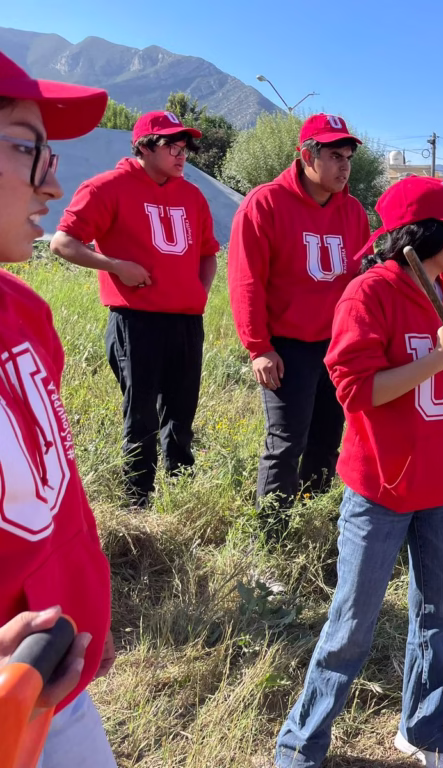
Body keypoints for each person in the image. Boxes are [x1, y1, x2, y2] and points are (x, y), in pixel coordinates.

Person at [274, 176, 443, 768]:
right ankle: (300, 745)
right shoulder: (369, 294)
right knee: (352, 622)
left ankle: (421, 729)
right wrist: (441, 357)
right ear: (425, 233)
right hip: (382, 487)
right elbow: (357, 391)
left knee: (437, 614)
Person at [0, 49, 116, 765]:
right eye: (27, 148)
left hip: (52, 679)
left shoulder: (26, 314)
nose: (52, 181)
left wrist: (84, 600)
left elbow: (54, 493)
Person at [50, 110, 220, 508]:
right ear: (144, 147)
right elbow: (62, 242)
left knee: (181, 413)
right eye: (171, 146)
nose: (181, 155)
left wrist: (199, 292)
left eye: (185, 147)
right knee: (141, 415)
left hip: (186, 321)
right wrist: (115, 266)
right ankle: (137, 502)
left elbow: (208, 253)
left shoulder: (192, 195)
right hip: (136, 321)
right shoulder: (107, 187)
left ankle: (180, 495)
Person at [228, 113, 370, 528]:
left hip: (338, 347)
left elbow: (361, 280)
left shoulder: (353, 212)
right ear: (307, 155)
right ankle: (271, 536)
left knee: (327, 439)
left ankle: (313, 518)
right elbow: (246, 280)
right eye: (335, 156)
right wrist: (259, 347)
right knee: (286, 442)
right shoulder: (266, 203)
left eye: (348, 158)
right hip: (287, 347)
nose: (344, 166)